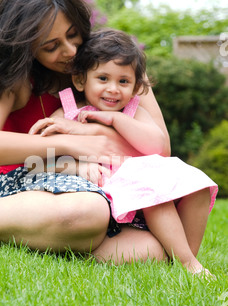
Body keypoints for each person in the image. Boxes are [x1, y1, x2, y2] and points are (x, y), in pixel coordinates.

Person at [0, 0, 177, 266]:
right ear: (25, 46)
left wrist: (97, 141)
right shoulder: (13, 77)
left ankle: (40, 236)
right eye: (51, 46)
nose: (70, 51)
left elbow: (161, 148)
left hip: (110, 183)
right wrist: (68, 147)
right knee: (87, 212)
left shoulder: (116, 67)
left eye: (73, 35)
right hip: (35, 178)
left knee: (154, 251)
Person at [29, 29, 218, 277]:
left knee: (198, 186)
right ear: (80, 80)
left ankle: (185, 257)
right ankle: (186, 262)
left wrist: (116, 119)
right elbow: (41, 158)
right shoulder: (68, 110)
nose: (113, 89)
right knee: (151, 190)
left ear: (136, 86)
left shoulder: (132, 111)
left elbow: (157, 147)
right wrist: (78, 167)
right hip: (105, 196)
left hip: (141, 188)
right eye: (103, 78)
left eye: (123, 81)